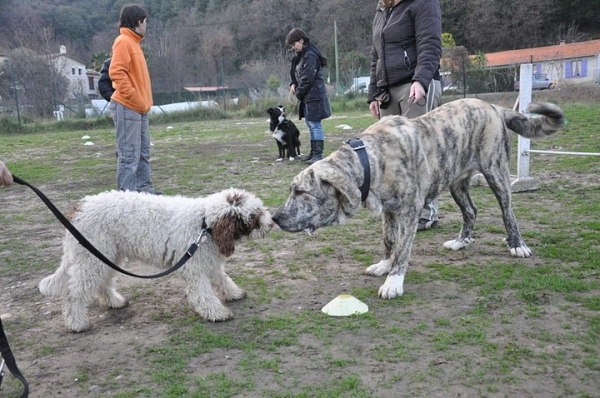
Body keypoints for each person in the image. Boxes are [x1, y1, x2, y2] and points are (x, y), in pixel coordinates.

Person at [367, 0, 442, 231]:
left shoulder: (423, 3)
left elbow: (430, 46)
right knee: (389, 152)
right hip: (387, 90)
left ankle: (426, 212)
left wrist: (420, 80)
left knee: (421, 150)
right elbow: (375, 56)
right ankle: (398, 209)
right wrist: (373, 94)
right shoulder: (382, 10)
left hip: (415, 83)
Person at [109, 4, 161, 194]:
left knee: (143, 154)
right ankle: (127, 198)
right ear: (139, 21)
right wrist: (135, 98)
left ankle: (146, 192)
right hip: (127, 107)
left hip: (139, 109)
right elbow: (116, 72)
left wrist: (142, 104)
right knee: (129, 155)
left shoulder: (134, 43)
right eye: (145, 21)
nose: (146, 25)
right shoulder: (123, 41)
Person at [286, 28, 331, 165]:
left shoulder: (310, 55)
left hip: (314, 96)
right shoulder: (302, 56)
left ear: (301, 40)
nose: (293, 48)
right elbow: (298, 75)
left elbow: (308, 77)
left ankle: (318, 154)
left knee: (314, 124)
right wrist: (294, 83)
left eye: (294, 44)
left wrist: (299, 94)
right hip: (308, 96)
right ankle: (313, 153)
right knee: (310, 124)